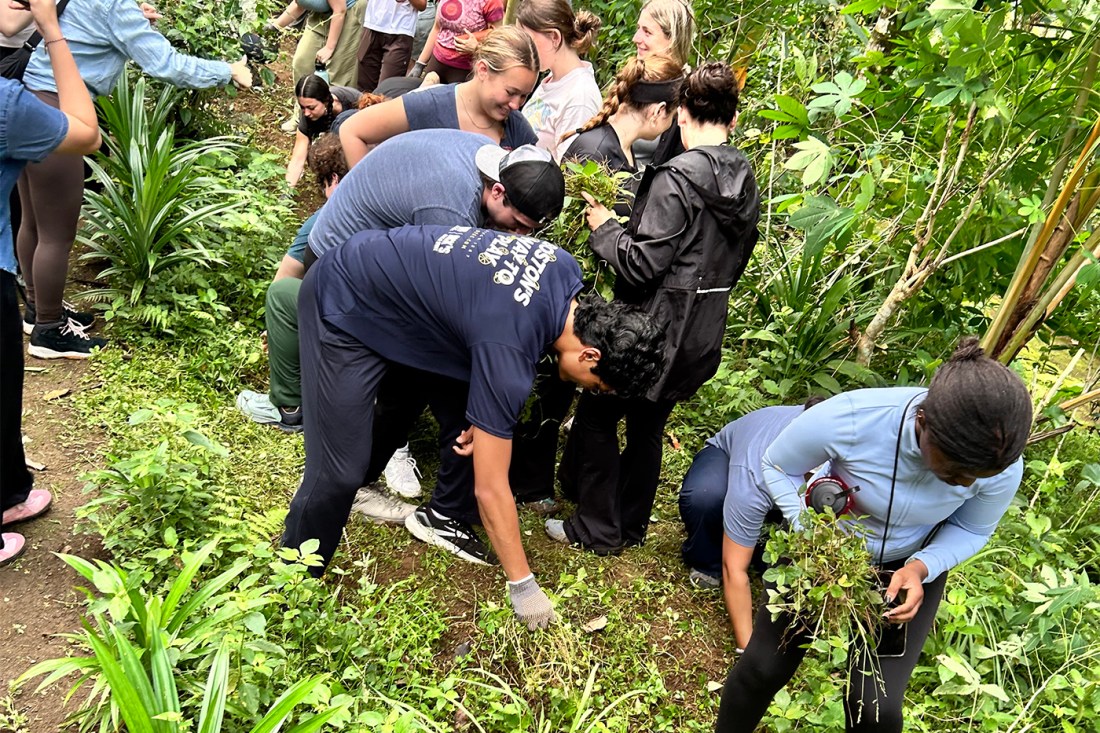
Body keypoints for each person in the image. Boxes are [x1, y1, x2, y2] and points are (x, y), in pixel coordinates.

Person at [281, 223, 666, 633]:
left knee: (422, 404)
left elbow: (485, 315)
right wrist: (523, 585)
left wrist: (485, 415)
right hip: (343, 296)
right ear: (590, 356)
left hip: (396, 289)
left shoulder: (563, 268)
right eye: (597, 385)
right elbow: (490, 488)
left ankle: (389, 495)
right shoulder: (509, 346)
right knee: (337, 471)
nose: (588, 390)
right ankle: (291, 586)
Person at [715, 338, 1033, 733]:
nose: (966, 484)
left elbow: (972, 527)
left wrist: (921, 568)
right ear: (923, 422)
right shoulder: (853, 417)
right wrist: (812, 534)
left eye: (976, 478)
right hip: (823, 548)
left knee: (874, 709)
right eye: (954, 473)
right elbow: (778, 465)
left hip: (907, 567)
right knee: (762, 669)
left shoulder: (1000, 461)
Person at [547, 62, 760, 555]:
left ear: (682, 115)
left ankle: (597, 529)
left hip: (649, 329)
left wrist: (605, 227)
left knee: (598, 417)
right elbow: (738, 256)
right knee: (648, 426)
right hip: (701, 331)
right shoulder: (744, 178)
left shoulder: (678, 177)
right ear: (732, 120)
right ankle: (630, 524)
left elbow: (642, 265)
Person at [13, 0, 251, 359]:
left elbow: (88, 26)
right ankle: (48, 331)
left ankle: (38, 310)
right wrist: (228, 70)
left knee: (33, 221)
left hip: (30, 98)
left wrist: (130, 17)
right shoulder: (114, 4)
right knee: (56, 235)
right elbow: (165, 64)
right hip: (60, 113)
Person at [506, 53, 685, 510]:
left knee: (559, 388)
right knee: (545, 386)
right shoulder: (596, 151)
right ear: (658, 111)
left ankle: (533, 479)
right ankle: (526, 482)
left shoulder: (620, 151)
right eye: (672, 116)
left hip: (588, 299)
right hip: (566, 294)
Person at [240, 133, 423, 503]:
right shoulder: (400, 207)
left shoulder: (328, 217)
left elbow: (283, 280)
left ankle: (289, 407)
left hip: (364, 331)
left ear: (334, 181)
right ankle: (392, 441)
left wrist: (278, 333)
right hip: (400, 337)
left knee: (284, 297)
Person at [1, 0, 101, 566]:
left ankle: (9, 493)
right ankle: (46, 324)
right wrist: (54, 30)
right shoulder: (7, 104)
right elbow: (86, 134)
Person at [677, 398, 824, 649]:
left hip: (779, 482)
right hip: (727, 456)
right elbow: (734, 569)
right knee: (705, 497)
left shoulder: (847, 441)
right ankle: (707, 561)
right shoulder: (755, 473)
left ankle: (762, 545)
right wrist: (747, 649)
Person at [339, 25, 538, 166]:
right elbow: (352, 130)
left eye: (524, 96)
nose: (516, 105)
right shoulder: (431, 104)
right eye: (511, 92)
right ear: (483, 70)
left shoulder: (517, 127)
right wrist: (372, 199)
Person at [561, 54, 684, 179]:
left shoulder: (624, 145)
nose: (673, 122)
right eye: (673, 115)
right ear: (658, 111)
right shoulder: (594, 154)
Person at [515, 0, 601, 162]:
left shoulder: (580, 97)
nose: (523, 49)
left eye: (528, 41)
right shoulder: (553, 79)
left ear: (554, 37)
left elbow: (571, 167)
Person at [630, 0, 695, 169]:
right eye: (638, 29)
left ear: (672, 39)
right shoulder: (633, 76)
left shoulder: (690, 96)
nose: (636, 38)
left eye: (647, 32)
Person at [269, 0, 365, 88]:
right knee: (302, 62)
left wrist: (329, 47)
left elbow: (340, 11)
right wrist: (275, 27)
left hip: (348, 11)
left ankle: (331, 100)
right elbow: (300, 3)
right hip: (323, 13)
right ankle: (305, 100)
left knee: (337, 73)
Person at [285, 74, 360, 186]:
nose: (306, 113)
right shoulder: (307, 115)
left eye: (311, 108)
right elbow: (298, 158)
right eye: (302, 107)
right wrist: (286, 190)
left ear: (325, 102)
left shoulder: (352, 101)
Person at [411, 0, 503, 85]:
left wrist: (477, 47)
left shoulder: (491, 2)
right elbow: (437, 28)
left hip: (466, 69)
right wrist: (420, 64)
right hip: (437, 62)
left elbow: (498, 36)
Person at [355, 0, 426, 93]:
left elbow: (422, 4)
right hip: (371, 25)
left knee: (388, 91)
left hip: (401, 30)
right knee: (364, 91)